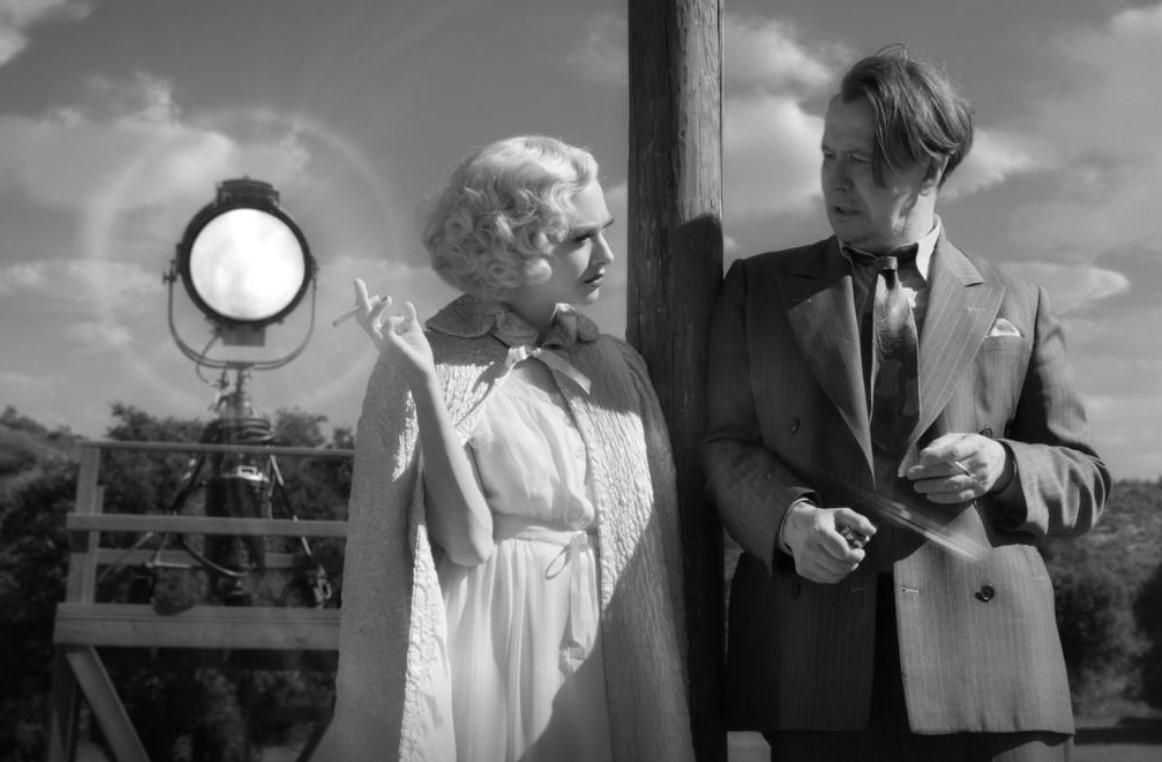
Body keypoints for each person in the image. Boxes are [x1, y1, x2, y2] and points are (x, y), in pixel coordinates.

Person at [703, 48, 1111, 761]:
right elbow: (725, 445)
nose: (835, 179)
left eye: (863, 161)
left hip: (995, 674)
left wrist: (1003, 464)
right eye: (829, 154)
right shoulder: (756, 289)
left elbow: (1085, 480)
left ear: (930, 167)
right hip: (816, 665)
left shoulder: (1019, 302)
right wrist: (791, 523)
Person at [315, 136, 694, 762]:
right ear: (517, 244)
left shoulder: (612, 364)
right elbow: (466, 542)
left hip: (602, 638)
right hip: (492, 641)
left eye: (604, 231)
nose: (606, 254)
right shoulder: (434, 360)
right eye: (580, 238)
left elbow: (644, 532)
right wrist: (424, 385)